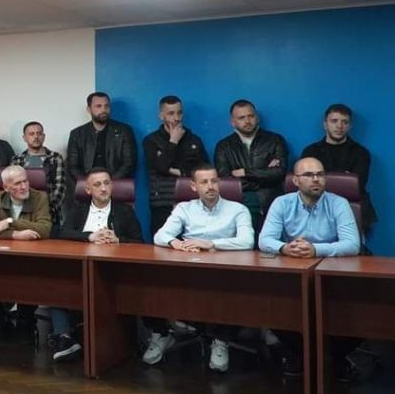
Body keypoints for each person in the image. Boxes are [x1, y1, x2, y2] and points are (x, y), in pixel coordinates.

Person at [145, 164, 254, 372]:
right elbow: (160, 235)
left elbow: (247, 241)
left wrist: (212, 244)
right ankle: (161, 333)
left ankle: (220, 340)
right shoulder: (184, 208)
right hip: (189, 269)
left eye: (214, 181)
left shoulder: (237, 209)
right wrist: (175, 243)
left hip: (225, 271)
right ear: (193, 186)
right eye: (204, 182)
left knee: (226, 287)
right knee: (150, 280)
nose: (210, 186)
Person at [259, 157, 361, 379]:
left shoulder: (339, 203)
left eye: (320, 174)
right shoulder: (282, 203)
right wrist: (284, 248)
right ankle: (301, 354)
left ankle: (338, 357)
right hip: (296, 271)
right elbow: (264, 240)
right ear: (295, 180)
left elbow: (352, 244)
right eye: (308, 175)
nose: (316, 179)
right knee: (277, 306)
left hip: (334, 272)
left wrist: (315, 249)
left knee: (351, 309)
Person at [50, 168, 142, 361]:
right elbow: (63, 232)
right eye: (97, 185)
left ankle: (113, 342)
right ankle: (65, 339)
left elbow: (139, 242)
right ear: (88, 190)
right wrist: (89, 236)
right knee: (56, 287)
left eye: (107, 183)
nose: (103, 188)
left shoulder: (125, 210)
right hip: (79, 267)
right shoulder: (79, 209)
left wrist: (118, 240)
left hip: (115, 271)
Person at [0, 165, 51, 339]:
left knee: (30, 276)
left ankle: (26, 319)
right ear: (6, 187)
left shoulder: (39, 197)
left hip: (31, 257)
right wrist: (15, 235)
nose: (24, 186)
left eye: (25, 181)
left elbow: (45, 229)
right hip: (2, 257)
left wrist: (9, 222)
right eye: (17, 183)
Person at [214, 99, 288, 234]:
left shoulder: (274, 140)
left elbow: (279, 173)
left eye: (251, 116)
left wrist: (245, 172)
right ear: (232, 122)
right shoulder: (223, 146)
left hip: (272, 201)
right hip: (241, 203)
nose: (247, 121)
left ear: (257, 117)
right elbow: (228, 182)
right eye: (241, 118)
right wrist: (265, 175)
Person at [301, 103, 376, 234]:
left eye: (344, 122)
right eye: (334, 121)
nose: (339, 126)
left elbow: (356, 186)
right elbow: (305, 183)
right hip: (317, 207)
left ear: (350, 126)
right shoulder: (311, 151)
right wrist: (344, 176)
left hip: (352, 210)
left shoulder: (360, 153)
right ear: (325, 124)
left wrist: (321, 177)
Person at [142, 96, 209, 234]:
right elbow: (160, 167)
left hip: (192, 202)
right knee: (162, 243)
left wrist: (179, 172)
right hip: (163, 202)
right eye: (171, 113)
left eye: (179, 113)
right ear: (161, 116)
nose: (176, 118)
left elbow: (204, 170)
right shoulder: (151, 141)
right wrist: (173, 141)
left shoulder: (194, 140)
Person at [67, 92, 136, 186]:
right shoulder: (77, 134)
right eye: (98, 106)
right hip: (86, 187)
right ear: (89, 109)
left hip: (116, 185)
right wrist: (89, 184)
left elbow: (129, 163)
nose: (103, 110)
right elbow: (72, 166)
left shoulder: (124, 131)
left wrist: (108, 183)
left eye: (106, 106)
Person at [11, 121, 66, 235]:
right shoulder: (17, 160)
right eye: (31, 134)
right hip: (23, 215)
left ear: (43, 136)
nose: (36, 137)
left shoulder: (55, 158)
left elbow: (60, 187)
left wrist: (47, 209)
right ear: (24, 138)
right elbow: (13, 188)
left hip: (51, 215)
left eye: (39, 133)